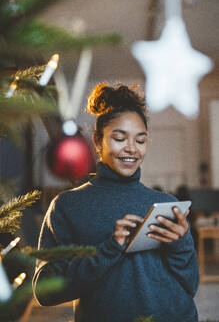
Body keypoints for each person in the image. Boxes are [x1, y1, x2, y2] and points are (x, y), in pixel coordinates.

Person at [33, 83, 199, 322]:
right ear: (98, 142)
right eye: (120, 138)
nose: (131, 149)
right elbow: (44, 291)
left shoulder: (166, 203)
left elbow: (190, 286)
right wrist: (110, 249)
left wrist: (180, 245)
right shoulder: (68, 206)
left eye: (140, 141)